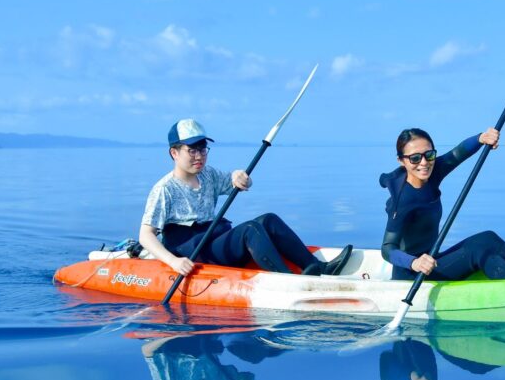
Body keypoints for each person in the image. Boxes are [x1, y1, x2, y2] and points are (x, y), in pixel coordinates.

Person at [140, 118, 351, 277]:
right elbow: (146, 236)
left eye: (203, 149)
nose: (199, 156)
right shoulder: (164, 189)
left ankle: (317, 267)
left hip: (212, 240)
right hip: (193, 252)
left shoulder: (208, 174)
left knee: (268, 220)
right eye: (192, 150)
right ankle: (287, 279)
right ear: (174, 153)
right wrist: (173, 262)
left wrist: (240, 177)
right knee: (250, 229)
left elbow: (235, 181)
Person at [379, 127, 505, 281]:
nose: (423, 163)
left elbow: (457, 153)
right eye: (414, 158)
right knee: (479, 252)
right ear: (401, 161)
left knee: (487, 238)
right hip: (413, 275)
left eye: (429, 155)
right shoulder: (402, 200)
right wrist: (414, 263)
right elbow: (387, 249)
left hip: (433, 260)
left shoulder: (432, 172)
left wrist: (482, 137)